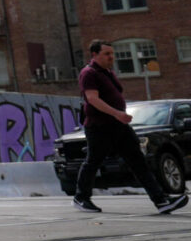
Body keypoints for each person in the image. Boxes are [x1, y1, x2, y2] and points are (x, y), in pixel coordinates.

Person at [74, 39, 189, 214]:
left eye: (112, 54)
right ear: (94, 55)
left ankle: (161, 201)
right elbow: (92, 99)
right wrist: (117, 113)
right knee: (93, 161)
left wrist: (120, 115)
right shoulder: (89, 73)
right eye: (106, 54)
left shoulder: (108, 73)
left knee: (138, 162)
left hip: (119, 126)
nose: (111, 57)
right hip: (100, 127)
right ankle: (81, 198)